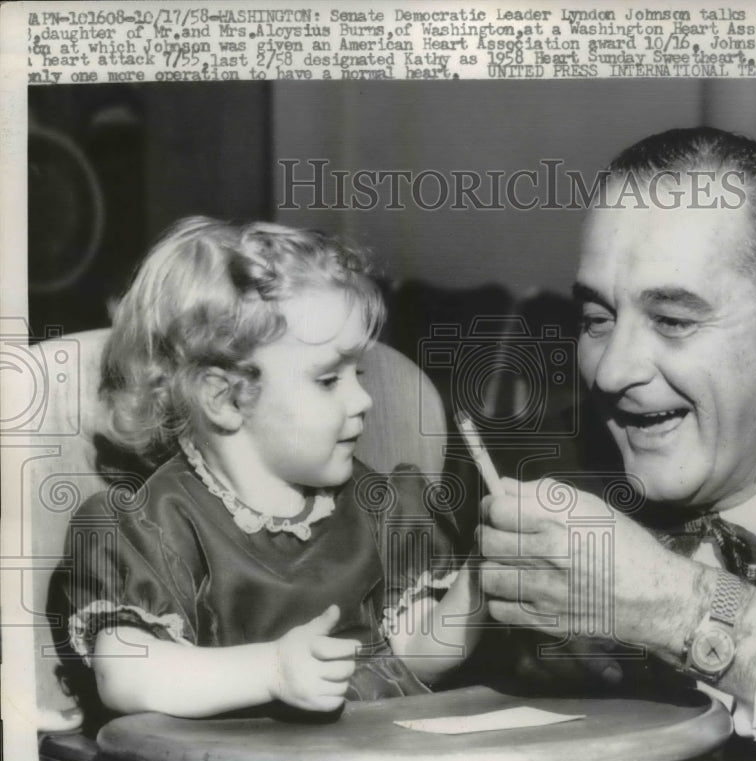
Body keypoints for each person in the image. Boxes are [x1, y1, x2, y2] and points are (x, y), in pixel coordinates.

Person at [479, 128, 756, 761]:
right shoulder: (533, 471)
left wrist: (684, 612)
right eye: (597, 320)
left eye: (672, 320)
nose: (610, 373)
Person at [57, 217, 479, 721]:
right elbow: (127, 675)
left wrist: (483, 578)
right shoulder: (149, 527)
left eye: (358, 374)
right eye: (328, 381)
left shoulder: (382, 506)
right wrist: (274, 670)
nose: (363, 398)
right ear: (226, 397)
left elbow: (418, 654)